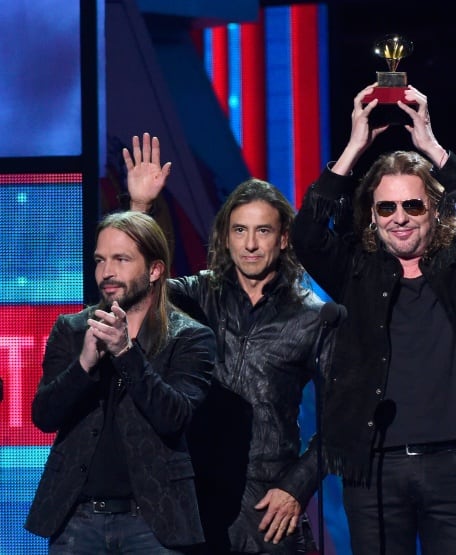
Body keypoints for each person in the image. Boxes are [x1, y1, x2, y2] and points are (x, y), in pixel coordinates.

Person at [292, 84, 456, 554]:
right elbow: (308, 236)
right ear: (372, 216)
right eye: (387, 208)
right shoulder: (356, 272)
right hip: (374, 466)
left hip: (454, 463)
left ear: (435, 211)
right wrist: (354, 149)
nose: (400, 218)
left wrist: (433, 148)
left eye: (413, 205)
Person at [122, 133, 324, 554]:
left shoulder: (313, 315)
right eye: (240, 231)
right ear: (226, 237)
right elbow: (136, 293)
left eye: (263, 231)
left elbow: (347, 415)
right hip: (196, 498)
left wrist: (297, 486)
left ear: (284, 238)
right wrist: (141, 209)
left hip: (270, 506)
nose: (250, 244)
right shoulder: (199, 294)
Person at [24, 211, 216, 553]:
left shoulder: (190, 338)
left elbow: (174, 417)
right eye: (100, 260)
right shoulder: (71, 330)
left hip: (155, 523)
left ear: (154, 270)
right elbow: (44, 416)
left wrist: (126, 352)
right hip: (77, 522)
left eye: (121, 259)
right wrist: (84, 363)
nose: (106, 272)